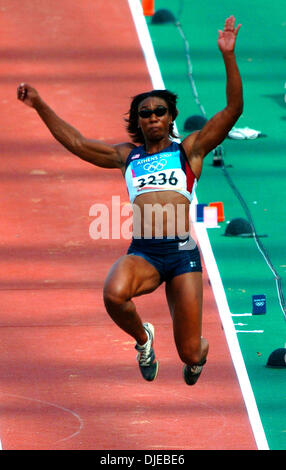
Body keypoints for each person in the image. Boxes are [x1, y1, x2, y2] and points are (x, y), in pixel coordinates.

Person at [17, 16, 243, 385]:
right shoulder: (128, 157)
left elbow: (232, 112)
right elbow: (76, 143)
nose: (152, 117)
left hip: (182, 253)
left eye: (159, 112)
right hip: (146, 252)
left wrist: (228, 57)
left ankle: (197, 354)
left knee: (189, 351)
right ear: (137, 122)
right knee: (113, 294)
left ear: (170, 116)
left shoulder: (190, 150)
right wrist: (40, 105)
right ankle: (144, 339)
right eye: (145, 113)